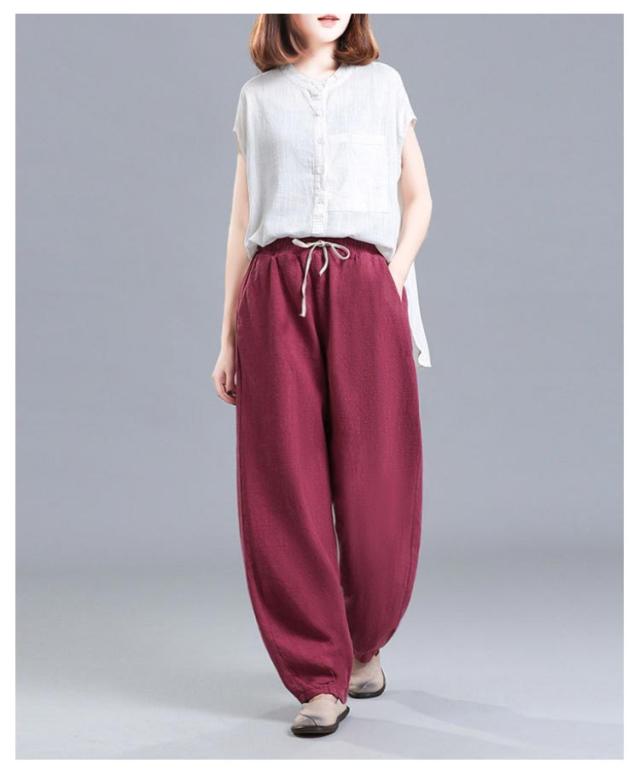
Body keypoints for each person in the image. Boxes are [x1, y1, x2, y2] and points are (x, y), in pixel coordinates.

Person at [211, 13, 433, 737]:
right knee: (284, 482)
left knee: (378, 477)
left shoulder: (384, 85)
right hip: (276, 287)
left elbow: (419, 198)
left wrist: (389, 281)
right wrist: (227, 339)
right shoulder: (257, 97)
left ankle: (364, 640)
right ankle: (317, 675)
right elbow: (242, 222)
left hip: (365, 283)